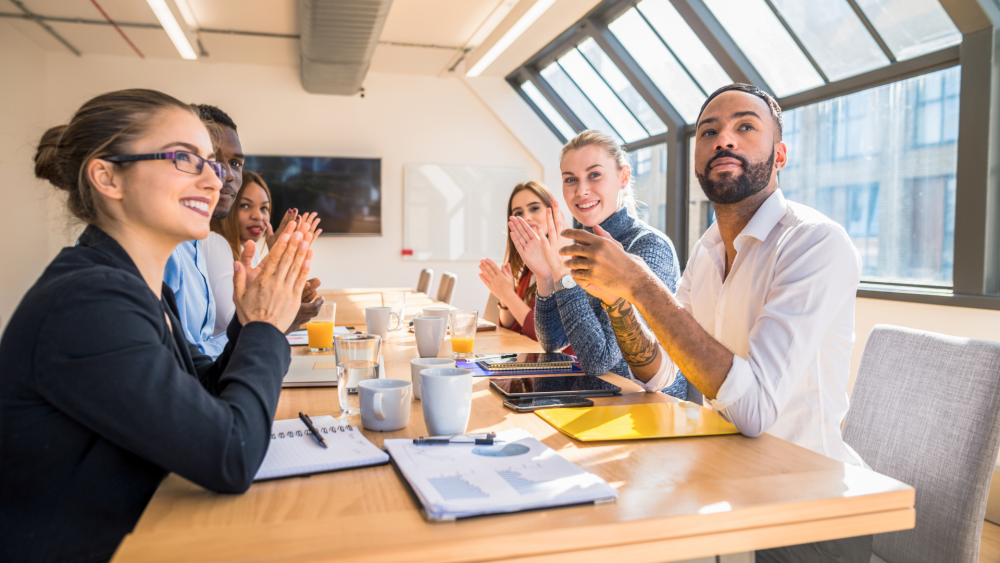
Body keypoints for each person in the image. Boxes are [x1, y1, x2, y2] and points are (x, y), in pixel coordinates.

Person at [0, 89, 318, 562]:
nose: (216, 180)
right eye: (185, 159)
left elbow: (202, 395)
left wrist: (251, 320)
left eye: (213, 163)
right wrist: (267, 329)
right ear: (107, 176)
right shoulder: (87, 302)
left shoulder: (139, 288)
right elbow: (231, 454)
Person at [560, 84, 870, 562]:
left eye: (745, 126)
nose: (724, 140)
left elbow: (754, 412)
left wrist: (639, 283)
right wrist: (619, 301)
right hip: (723, 482)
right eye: (710, 132)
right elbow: (662, 375)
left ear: (779, 154)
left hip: (806, 511)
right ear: (698, 159)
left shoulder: (814, 243)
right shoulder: (706, 251)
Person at [508, 130, 686, 399]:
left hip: (645, 412)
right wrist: (545, 275)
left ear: (623, 177)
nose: (581, 191)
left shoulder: (648, 247)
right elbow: (553, 342)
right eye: (571, 180)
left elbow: (601, 361)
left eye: (594, 175)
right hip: (596, 400)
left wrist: (562, 274)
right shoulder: (578, 244)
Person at [162, 104, 244, 358]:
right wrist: (261, 327)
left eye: (235, 163)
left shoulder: (193, 243)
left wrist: (262, 324)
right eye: (204, 162)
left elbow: (194, 361)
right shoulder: (162, 252)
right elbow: (185, 366)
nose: (223, 176)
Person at [203, 170, 322, 336]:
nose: (258, 216)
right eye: (245, 205)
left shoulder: (250, 253)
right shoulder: (215, 242)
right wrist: (287, 315)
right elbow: (242, 325)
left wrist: (288, 300)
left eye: (264, 208)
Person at [478, 181, 568, 351]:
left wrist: (508, 295)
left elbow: (547, 337)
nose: (526, 217)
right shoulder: (527, 269)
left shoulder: (565, 266)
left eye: (534, 208)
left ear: (552, 211)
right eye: (518, 212)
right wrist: (505, 298)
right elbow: (510, 328)